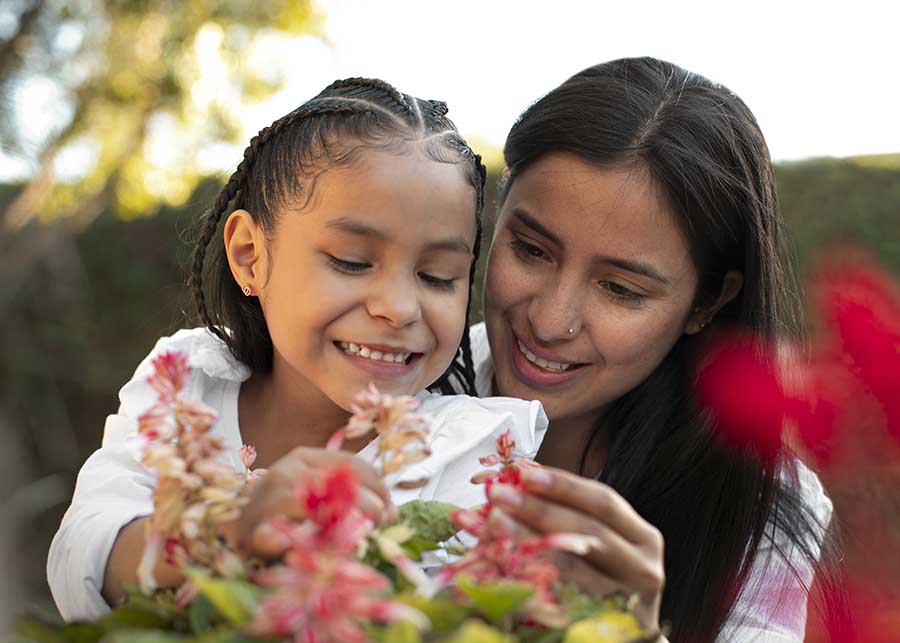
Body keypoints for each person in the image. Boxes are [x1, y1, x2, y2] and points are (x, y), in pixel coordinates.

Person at [47, 78, 547, 622]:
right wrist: (225, 531)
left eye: (437, 276)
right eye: (353, 262)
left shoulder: (472, 450)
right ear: (249, 256)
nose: (400, 308)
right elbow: (80, 558)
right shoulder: (189, 384)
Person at [465, 58, 835, 643]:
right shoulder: (389, 386)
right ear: (497, 206)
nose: (550, 320)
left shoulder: (758, 507)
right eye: (532, 250)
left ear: (708, 302)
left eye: (621, 290)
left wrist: (636, 631)